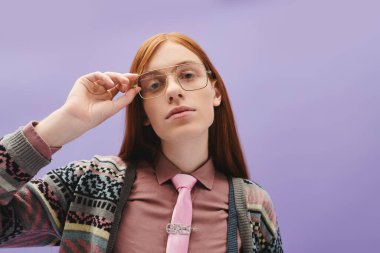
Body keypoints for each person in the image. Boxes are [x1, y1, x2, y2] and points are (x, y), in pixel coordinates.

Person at [0, 32, 283, 253]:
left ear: (216, 93)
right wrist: (57, 127)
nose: (173, 90)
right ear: (144, 113)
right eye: (155, 85)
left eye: (187, 75)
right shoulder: (92, 182)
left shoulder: (253, 205)